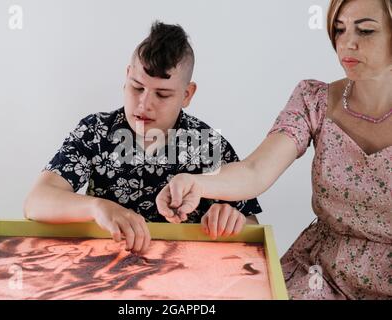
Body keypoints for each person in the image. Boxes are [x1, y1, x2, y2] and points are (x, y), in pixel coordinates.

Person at [156, 0, 391, 299]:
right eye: (339, 30)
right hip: (323, 273)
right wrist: (196, 183)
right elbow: (255, 170)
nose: (347, 43)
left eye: (366, 31)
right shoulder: (313, 99)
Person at [24, 21, 262, 254]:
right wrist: (97, 208)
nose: (144, 104)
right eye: (137, 87)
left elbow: (251, 228)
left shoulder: (207, 144)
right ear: (127, 76)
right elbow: (36, 202)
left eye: (162, 94)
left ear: (187, 94)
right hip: (105, 267)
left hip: (183, 275)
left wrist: (231, 220)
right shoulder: (94, 131)